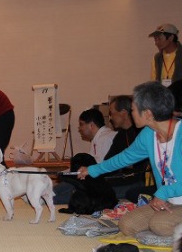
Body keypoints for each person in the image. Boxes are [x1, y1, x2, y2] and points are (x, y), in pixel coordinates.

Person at [78, 82, 182, 239]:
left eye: (133, 109)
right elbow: (125, 157)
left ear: (147, 114)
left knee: (159, 225)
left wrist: (164, 192)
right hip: (165, 200)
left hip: (168, 197)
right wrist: (93, 169)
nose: (131, 113)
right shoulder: (148, 134)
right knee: (127, 224)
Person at [103, 95, 150, 201]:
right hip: (124, 178)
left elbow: (142, 166)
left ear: (124, 113)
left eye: (112, 113)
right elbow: (109, 161)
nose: (110, 118)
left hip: (140, 180)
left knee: (103, 191)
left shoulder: (143, 132)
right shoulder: (120, 135)